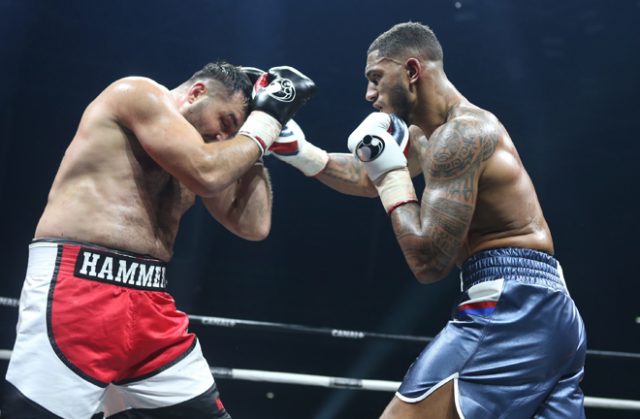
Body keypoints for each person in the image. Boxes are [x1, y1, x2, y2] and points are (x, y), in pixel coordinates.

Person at [268, 22, 587, 418]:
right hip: (546, 308)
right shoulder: (434, 136)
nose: (369, 94)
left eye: (376, 78)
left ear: (413, 70)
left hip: (515, 306)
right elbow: (370, 177)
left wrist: (389, 173)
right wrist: (298, 151)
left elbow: (427, 261)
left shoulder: (463, 135)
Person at [0, 61, 315, 418]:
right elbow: (207, 173)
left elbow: (253, 225)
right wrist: (263, 126)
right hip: (78, 290)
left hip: (151, 303)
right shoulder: (138, 94)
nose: (224, 139)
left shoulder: (204, 155)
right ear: (197, 93)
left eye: (233, 134)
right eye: (226, 123)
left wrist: (259, 140)